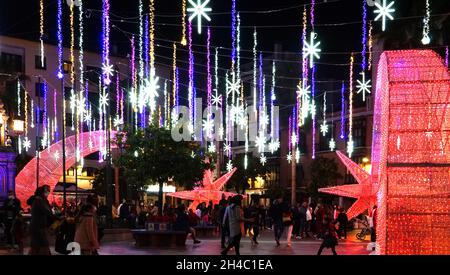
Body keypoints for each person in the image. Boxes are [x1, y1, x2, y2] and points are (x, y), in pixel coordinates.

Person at [29, 185, 55, 255]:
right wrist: (56, 217)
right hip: (38, 226)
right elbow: (46, 212)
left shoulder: (42, 200)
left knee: (37, 246)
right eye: (46, 191)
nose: (48, 193)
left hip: (39, 226)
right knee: (42, 245)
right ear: (42, 192)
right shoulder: (39, 200)